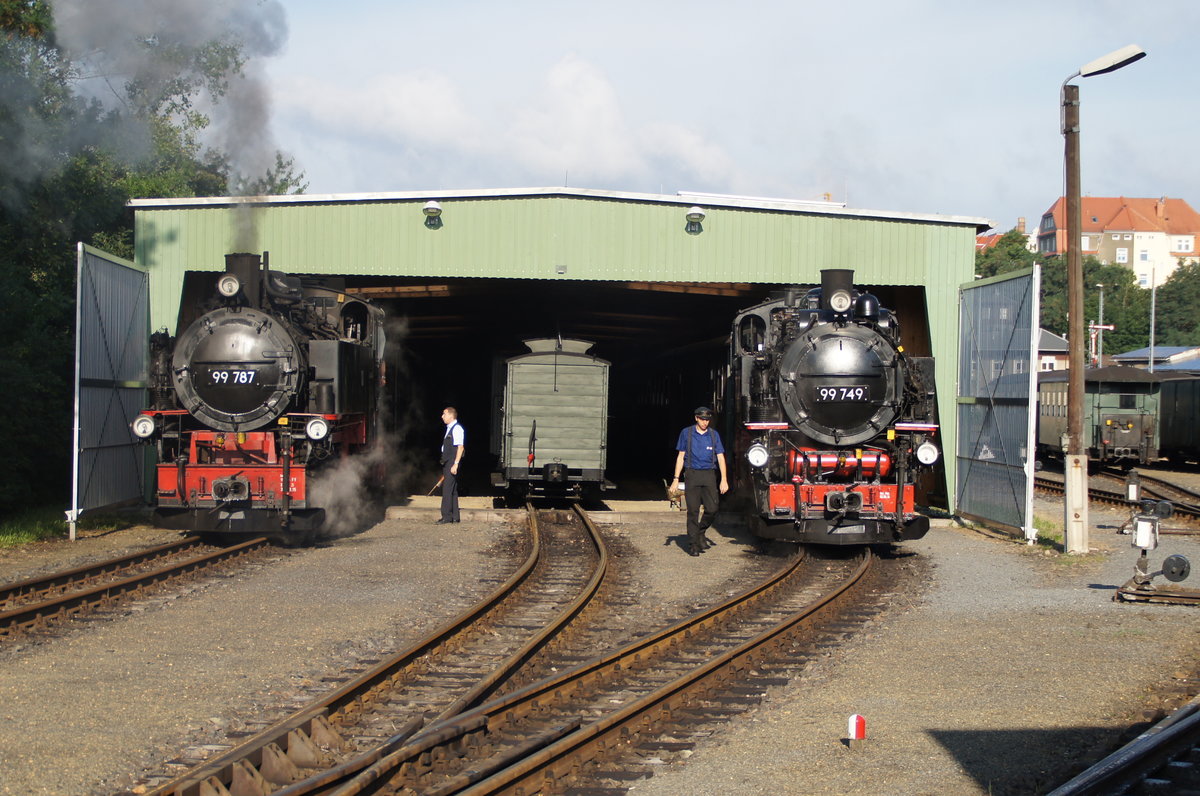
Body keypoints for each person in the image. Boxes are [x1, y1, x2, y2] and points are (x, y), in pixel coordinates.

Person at [670, 406, 728, 556]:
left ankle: (700, 532)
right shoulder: (686, 433)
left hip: (709, 475)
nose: (705, 422)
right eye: (702, 419)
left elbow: (721, 457)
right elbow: (681, 456)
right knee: (693, 511)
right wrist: (675, 479)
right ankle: (693, 544)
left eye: (707, 420)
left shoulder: (714, 435)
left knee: (712, 509)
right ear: (696, 418)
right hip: (692, 474)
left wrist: (724, 480)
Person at [438, 407, 465, 524]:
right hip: (448, 462)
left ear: (450, 415)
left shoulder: (457, 429)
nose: (442, 416)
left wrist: (455, 464)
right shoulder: (449, 429)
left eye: (444, 414)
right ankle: (455, 516)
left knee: (447, 490)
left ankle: (446, 517)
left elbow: (460, 447)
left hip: (451, 462)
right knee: (453, 490)